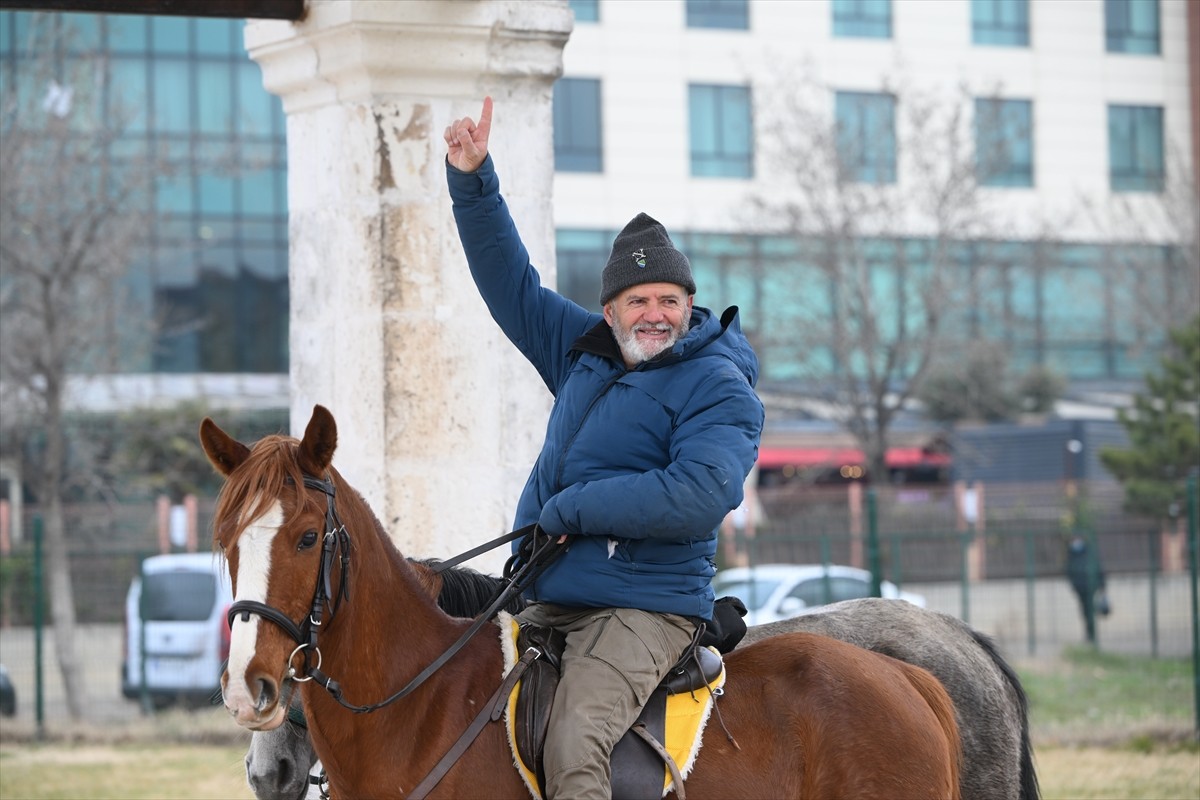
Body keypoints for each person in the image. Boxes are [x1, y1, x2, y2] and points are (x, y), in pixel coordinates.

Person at [444, 97, 763, 799]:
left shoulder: (719, 385)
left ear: (688, 305)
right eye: (640, 301)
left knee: (575, 744)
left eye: (670, 300)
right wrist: (473, 180)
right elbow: (511, 286)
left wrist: (573, 509)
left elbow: (698, 494)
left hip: (645, 607)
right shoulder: (584, 351)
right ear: (613, 309)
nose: (656, 315)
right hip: (548, 594)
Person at [1066, 533, 1107, 644]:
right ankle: (1090, 634)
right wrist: (1074, 586)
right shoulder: (1072, 555)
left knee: (1090, 611)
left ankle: (1092, 634)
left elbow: (1098, 569)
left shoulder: (1089, 553)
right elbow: (1069, 572)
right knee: (1085, 611)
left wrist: (1102, 586)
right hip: (1080, 588)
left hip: (1091, 587)